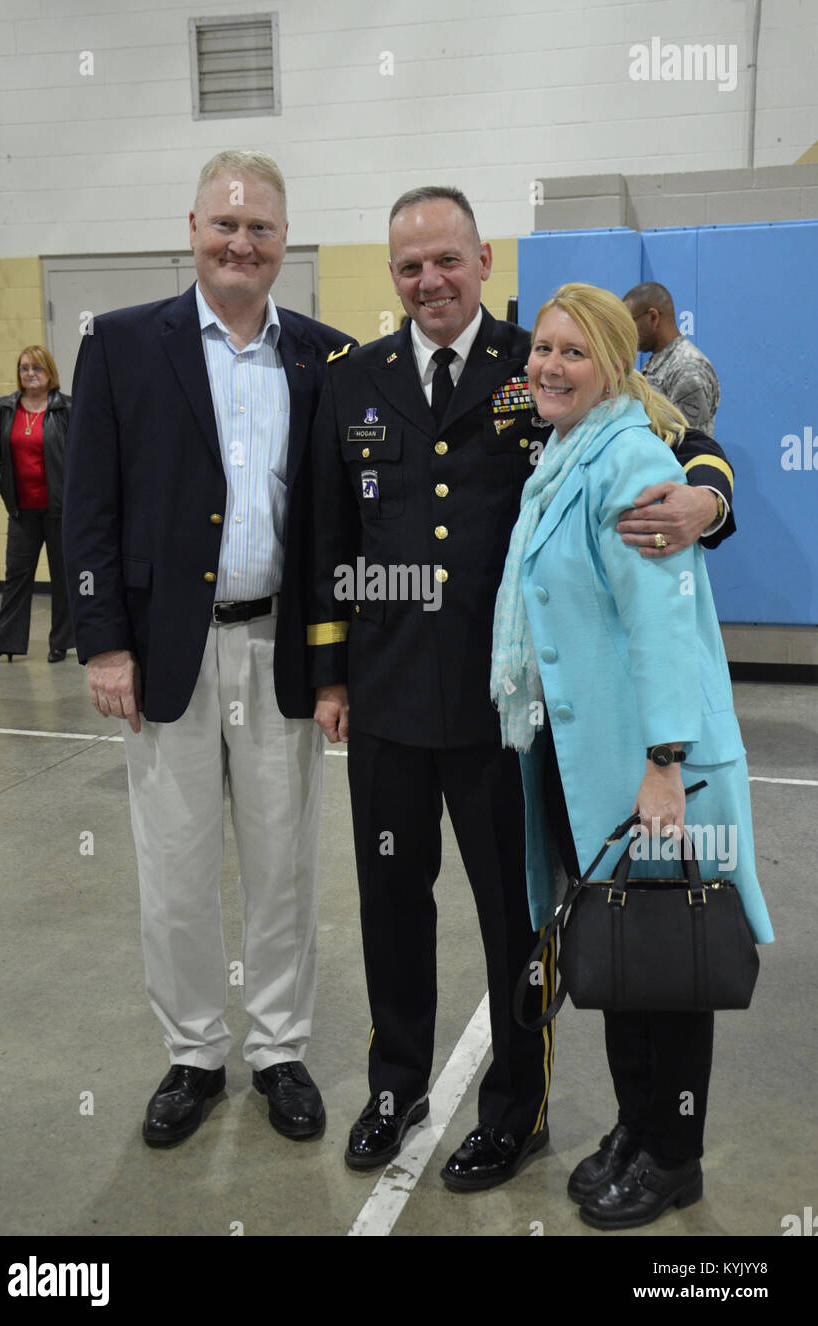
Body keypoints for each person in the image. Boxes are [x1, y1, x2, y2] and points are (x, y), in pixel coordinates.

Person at [308, 186, 738, 1191]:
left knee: (516, 915)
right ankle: (395, 1082)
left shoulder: (540, 363)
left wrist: (708, 497)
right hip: (384, 698)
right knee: (387, 902)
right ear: (392, 274)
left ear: (483, 258)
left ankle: (514, 1105)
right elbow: (330, 538)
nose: (429, 281)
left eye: (446, 260)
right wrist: (330, 675)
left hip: (507, 714)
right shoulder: (352, 378)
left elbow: (671, 438)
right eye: (409, 265)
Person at [62, 150, 355, 1149]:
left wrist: (334, 660)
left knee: (283, 867)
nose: (241, 243)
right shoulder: (122, 345)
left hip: (281, 647)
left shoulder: (325, 356)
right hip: (164, 655)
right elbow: (87, 506)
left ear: (284, 242)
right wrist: (103, 644)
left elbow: (332, 530)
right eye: (225, 225)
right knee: (177, 865)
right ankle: (193, 1050)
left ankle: (278, 1048)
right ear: (191, 228)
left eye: (261, 229)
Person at [492, 282, 773, 1229]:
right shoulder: (568, 450)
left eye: (574, 352)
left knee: (668, 965)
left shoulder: (631, 459)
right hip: (592, 769)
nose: (549, 367)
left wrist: (662, 762)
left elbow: (662, 626)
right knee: (616, 957)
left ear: (614, 363)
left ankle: (674, 1155)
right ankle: (633, 1125)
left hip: (650, 771)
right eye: (542, 348)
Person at [0, 346, 73, 666]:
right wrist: (3, 486)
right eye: (24, 368)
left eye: (37, 368)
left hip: (59, 510)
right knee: (16, 578)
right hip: (21, 511)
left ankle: (60, 642)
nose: (30, 373)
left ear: (50, 373)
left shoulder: (66, 408)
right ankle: (3, 644)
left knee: (63, 578)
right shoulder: (5, 407)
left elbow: (82, 458)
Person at [623, 281, 721, 436]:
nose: (627, 333)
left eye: (630, 323)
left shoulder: (688, 367)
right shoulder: (657, 360)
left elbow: (689, 442)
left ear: (653, 317)